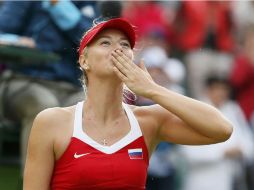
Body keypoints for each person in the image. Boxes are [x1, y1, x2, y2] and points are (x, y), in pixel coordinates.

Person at [23, 18, 233, 189]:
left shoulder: (147, 121)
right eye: (105, 43)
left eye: (125, 45)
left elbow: (222, 129)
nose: (118, 49)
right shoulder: (52, 121)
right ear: (84, 61)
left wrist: (153, 90)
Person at [0, 1, 97, 170]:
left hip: (71, 87)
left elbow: (92, 40)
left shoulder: (87, 4)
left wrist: (59, 6)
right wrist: (16, 41)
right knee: (45, 108)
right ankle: (34, 183)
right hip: (22, 81)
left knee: (91, 109)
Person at [178, 75, 254, 190]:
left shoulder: (233, 109)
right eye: (217, 89)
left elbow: (247, 141)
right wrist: (223, 153)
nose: (221, 93)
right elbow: (187, 151)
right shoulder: (194, 110)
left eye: (224, 89)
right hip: (201, 181)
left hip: (232, 180)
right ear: (207, 90)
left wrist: (242, 150)